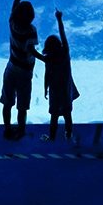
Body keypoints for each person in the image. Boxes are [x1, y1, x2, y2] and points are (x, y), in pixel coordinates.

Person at [0, 0, 37, 140]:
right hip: (24, 72)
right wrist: (46, 58)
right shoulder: (31, 30)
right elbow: (31, 51)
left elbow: (16, 1)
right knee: (22, 105)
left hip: (11, 68)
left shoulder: (12, 23)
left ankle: (7, 129)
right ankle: (21, 130)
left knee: (7, 102)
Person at [34, 9, 79, 145]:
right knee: (67, 114)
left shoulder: (48, 59)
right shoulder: (65, 53)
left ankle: (52, 137)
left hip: (54, 91)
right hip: (66, 90)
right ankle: (69, 134)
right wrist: (59, 19)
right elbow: (63, 35)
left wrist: (45, 89)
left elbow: (36, 56)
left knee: (54, 115)